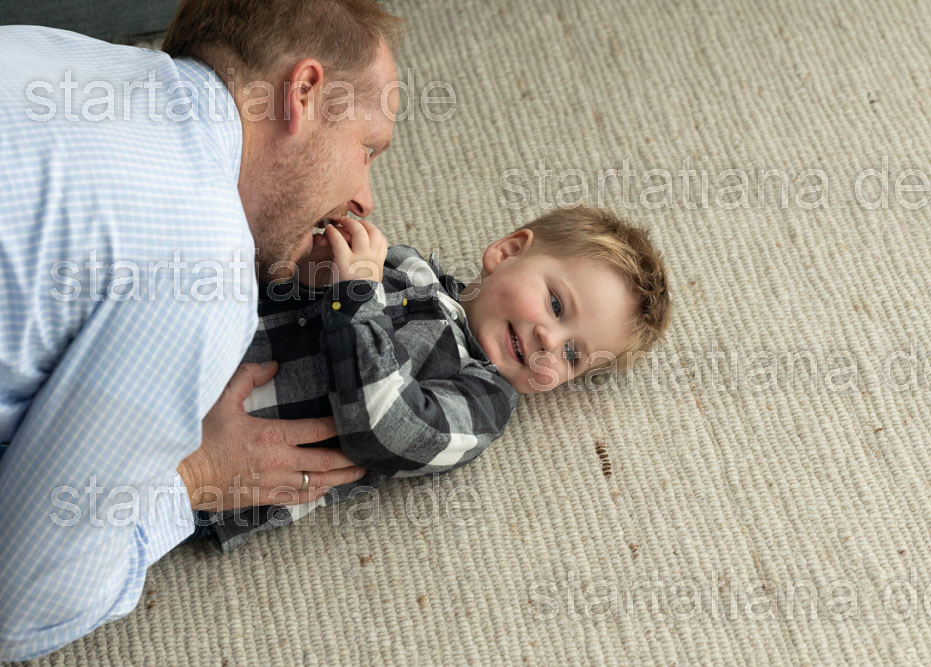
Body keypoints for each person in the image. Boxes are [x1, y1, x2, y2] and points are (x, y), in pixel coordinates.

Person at [0, 0, 403, 660]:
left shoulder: (52, 53)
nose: (367, 198)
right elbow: (20, 600)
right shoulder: (202, 269)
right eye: (368, 148)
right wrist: (194, 476)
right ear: (304, 92)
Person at [189, 207, 672, 551]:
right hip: (199, 347)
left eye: (571, 354)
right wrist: (314, 271)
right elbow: (291, 291)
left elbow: (390, 431)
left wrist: (355, 295)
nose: (549, 339)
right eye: (556, 305)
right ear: (507, 252)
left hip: (220, 473)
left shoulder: (483, 402)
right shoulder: (405, 267)